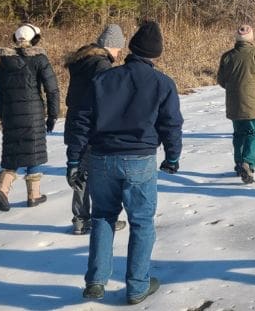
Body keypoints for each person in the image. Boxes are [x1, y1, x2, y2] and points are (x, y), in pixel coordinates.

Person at [66, 20, 183, 304]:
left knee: (103, 217)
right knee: (141, 222)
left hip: (102, 158)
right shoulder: (163, 83)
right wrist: (172, 157)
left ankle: (95, 281)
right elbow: (172, 124)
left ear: (131, 48)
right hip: (140, 160)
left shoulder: (103, 79)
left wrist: (73, 158)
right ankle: (137, 285)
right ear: (156, 54)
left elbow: (81, 120)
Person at [64, 23, 127, 235]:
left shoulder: (83, 61)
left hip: (75, 122)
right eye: (119, 49)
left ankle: (80, 220)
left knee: (80, 173)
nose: (119, 54)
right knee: (99, 175)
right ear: (111, 46)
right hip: (92, 126)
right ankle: (102, 220)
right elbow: (105, 99)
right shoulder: (101, 66)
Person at [0, 23, 60, 212]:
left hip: (11, 114)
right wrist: (53, 115)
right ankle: (33, 195)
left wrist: (1, 115)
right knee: (34, 150)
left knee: (13, 152)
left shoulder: (4, 61)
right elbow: (52, 89)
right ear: (35, 39)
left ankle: (2, 189)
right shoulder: (40, 59)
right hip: (33, 113)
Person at [217, 24, 255, 183]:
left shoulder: (227, 56)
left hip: (235, 102)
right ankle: (248, 162)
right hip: (254, 102)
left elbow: (221, 79)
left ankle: (239, 164)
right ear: (251, 38)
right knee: (254, 133)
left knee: (239, 133)